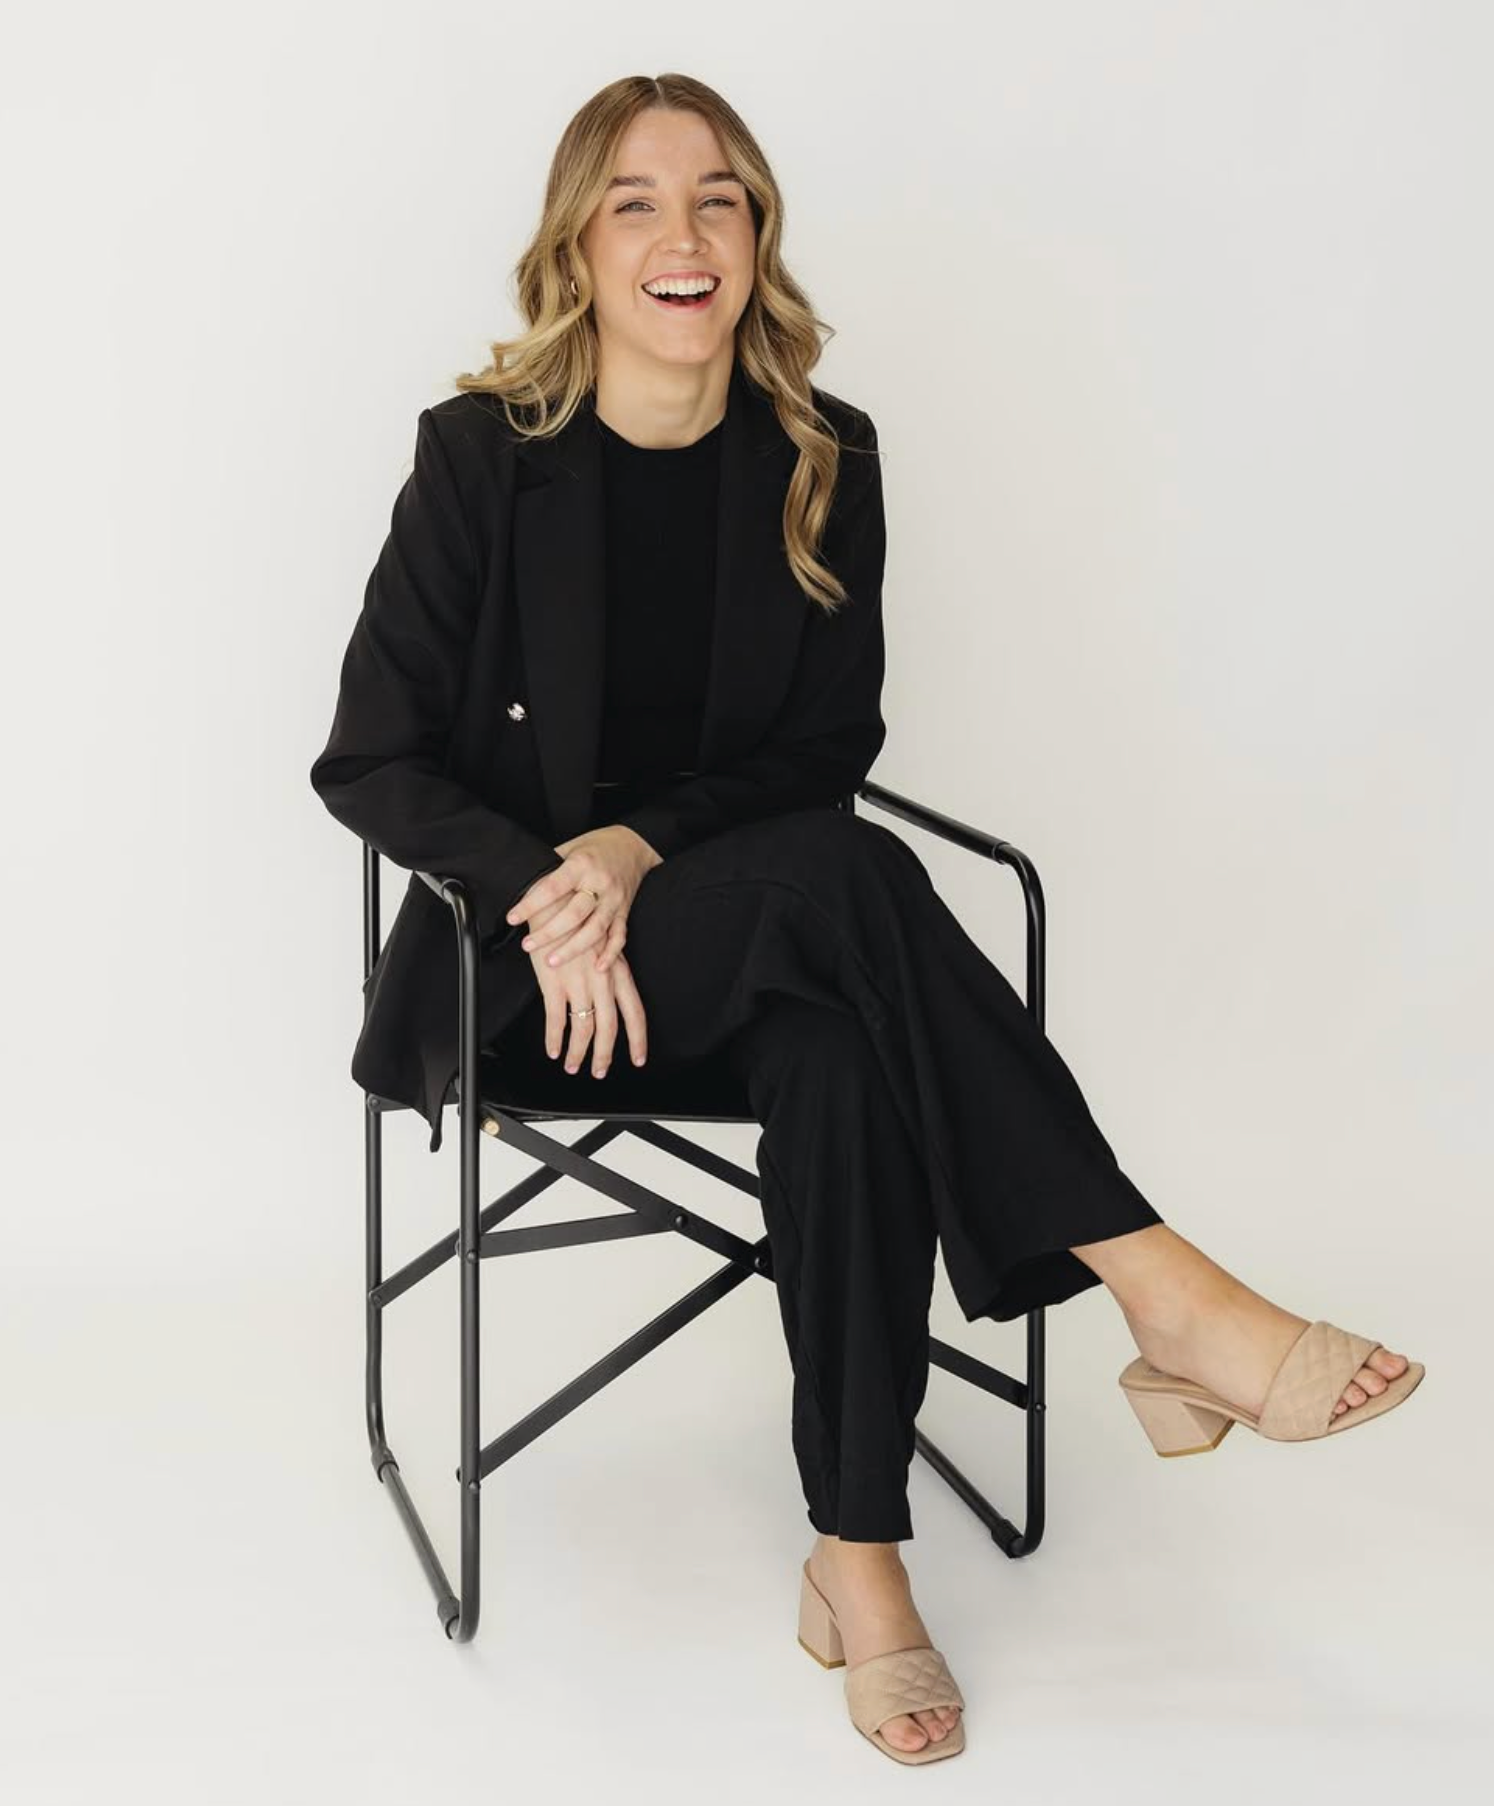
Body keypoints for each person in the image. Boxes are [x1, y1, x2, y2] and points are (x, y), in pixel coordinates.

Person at [309, 75, 1423, 1767]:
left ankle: (858, 1551)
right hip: (517, 975)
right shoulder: (481, 461)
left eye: (719, 200)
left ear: (756, 237)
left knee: (837, 1049)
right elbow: (367, 756)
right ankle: (1164, 1295)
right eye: (634, 203)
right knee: (851, 879)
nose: (681, 237)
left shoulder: (824, 457)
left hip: (750, 948)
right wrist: (557, 886)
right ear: (576, 248)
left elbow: (821, 750)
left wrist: (631, 842)